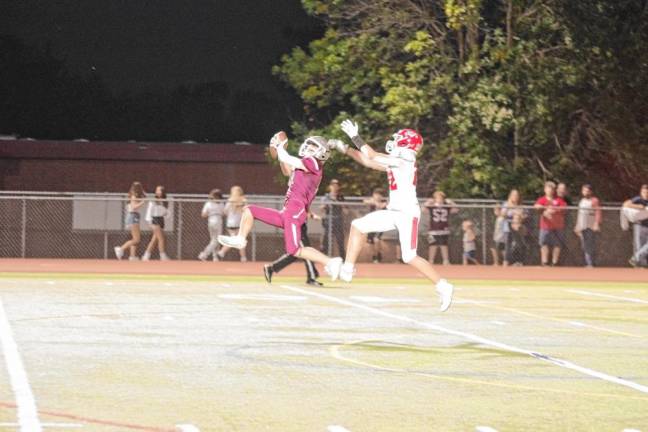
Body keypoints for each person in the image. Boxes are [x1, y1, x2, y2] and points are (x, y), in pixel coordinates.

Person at [330, 119, 453, 312]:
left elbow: (370, 154)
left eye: (398, 139)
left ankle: (443, 286)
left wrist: (355, 136)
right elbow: (367, 161)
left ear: (406, 144)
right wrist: (344, 148)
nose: (394, 141)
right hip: (394, 211)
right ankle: (348, 268)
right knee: (358, 225)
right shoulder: (398, 162)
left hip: (407, 214)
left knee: (409, 256)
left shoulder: (405, 159)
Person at [218, 132, 343, 280]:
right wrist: (280, 152)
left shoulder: (314, 163)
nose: (308, 147)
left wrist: (281, 147)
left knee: (294, 249)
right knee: (249, 210)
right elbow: (287, 170)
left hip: (295, 211)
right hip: (287, 211)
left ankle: (331, 262)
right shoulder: (305, 166)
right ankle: (240, 239)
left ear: (321, 152)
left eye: (312, 146)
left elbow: (287, 158)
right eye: (308, 145)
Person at [263, 141, 323, 286]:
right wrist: (280, 151)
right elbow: (287, 169)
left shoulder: (307, 168)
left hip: (299, 215)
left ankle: (272, 268)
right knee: (303, 249)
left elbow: (305, 197)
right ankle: (311, 276)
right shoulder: (300, 168)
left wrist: (310, 213)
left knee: (297, 251)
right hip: (293, 215)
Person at [534, 181, 567, 266]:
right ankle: (544, 262)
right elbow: (536, 206)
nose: (550, 190)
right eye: (548, 188)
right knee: (544, 243)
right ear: (545, 189)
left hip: (558, 226)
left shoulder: (558, 200)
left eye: (552, 188)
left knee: (558, 244)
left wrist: (554, 210)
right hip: (545, 226)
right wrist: (544, 210)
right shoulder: (542, 199)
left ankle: (555, 262)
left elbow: (564, 208)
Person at [423, 191, 458, 265]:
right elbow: (423, 210)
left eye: (441, 198)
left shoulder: (446, 206)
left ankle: (445, 260)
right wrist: (427, 202)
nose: (439, 199)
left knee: (444, 245)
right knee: (432, 245)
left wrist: (451, 202)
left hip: (444, 230)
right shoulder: (432, 206)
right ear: (435, 198)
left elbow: (456, 210)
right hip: (432, 230)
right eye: (438, 198)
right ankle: (431, 260)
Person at [114, 181, 146, 261]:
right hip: (133, 216)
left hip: (134, 216)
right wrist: (142, 202)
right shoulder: (134, 196)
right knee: (136, 239)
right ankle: (121, 248)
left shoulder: (135, 195)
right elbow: (134, 207)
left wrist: (143, 198)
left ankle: (132, 256)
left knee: (135, 238)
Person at [574, 184, 602, 267]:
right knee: (584, 245)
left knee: (589, 244)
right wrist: (577, 225)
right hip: (582, 225)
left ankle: (590, 263)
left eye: (587, 191)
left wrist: (596, 223)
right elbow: (579, 213)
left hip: (590, 226)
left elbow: (598, 212)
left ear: (591, 192)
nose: (585, 192)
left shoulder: (594, 200)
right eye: (584, 191)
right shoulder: (581, 201)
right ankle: (588, 262)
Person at [218, 186, 248, 262]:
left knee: (237, 239)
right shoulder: (243, 200)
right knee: (239, 240)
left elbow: (225, 211)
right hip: (239, 223)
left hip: (231, 223)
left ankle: (222, 252)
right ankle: (242, 257)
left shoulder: (230, 201)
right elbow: (246, 211)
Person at [499, 189, 527, 266]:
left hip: (517, 228)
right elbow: (502, 214)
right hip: (507, 227)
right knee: (508, 245)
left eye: (517, 195)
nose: (515, 197)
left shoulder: (520, 206)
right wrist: (510, 209)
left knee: (519, 244)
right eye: (514, 195)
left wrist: (520, 215)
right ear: (510, 196)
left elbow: (524, 216)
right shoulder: (506, 204)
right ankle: (506, 262)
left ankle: (519, 262)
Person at [142, 185, 170, 261]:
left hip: (161, 220)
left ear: (162, 192)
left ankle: (146, 255)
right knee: (161, 239)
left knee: (154, 240)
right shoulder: (153, 201)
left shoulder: (165, 202)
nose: (157, 192)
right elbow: (149, 212)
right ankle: (162, 255)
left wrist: (166, 215)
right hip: (154, 220)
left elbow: (167, 212)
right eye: (156, 190)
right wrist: (149, 222)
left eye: (159, 190)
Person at [321, 179, 346, 257]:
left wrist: (338, 203)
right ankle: (324, 257)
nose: (335, 187)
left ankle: (343, 259)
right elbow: (321, 208)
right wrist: (327, 204)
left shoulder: (341, 197)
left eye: (336, 186)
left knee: (340, 241)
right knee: (326, 239)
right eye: (333, 185)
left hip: (338, 220)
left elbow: (346, 210)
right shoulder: (326, 197)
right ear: (330, 187)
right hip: (328, 220)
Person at [198, 189, 226, 261]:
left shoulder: (209, 203)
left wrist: (210, 213)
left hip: (211, 221)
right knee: (215, 240)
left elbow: (203, 214)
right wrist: (215, 212)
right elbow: (223, 213)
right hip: (216, 221)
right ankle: (204, 254)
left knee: (213, 240)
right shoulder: (220, 203)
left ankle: (215, 256)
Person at [624, 184, 648, 267]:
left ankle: (635, 258)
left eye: (647, 192)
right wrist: (638, 206)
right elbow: (625, 204)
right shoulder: (638, 199)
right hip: (639, 225)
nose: (645, 193)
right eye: (644, 192)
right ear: (641, 192)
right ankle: (639, 264)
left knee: (645, 246)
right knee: (639, 245)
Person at [363, 188, 388, 263]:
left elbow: (382, 206)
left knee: (376, 239)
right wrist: (372, 201)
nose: (377, 196)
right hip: (371, 224)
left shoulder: (384, 202)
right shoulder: (372, 201)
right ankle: (374, 256)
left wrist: (376, 202)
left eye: (378, 195)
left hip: (380, 224)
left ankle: (379, 255)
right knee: (370, 242)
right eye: (375, 194)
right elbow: (364, 201)